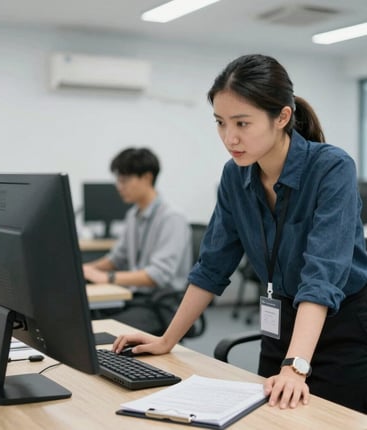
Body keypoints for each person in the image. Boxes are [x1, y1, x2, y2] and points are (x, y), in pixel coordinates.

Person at [112, 54, 367, 414]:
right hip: (280, 327)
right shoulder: (236, 176)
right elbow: (212, 267)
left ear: (282, 117)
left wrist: (296, 367)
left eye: (242, 123)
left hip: (340, 332)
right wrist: (167, 339)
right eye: (220, 123)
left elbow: (321, 277)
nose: (230, 137)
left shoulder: (331, 168)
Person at [83, 147, 192, 298]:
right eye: (118, 180)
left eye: (124, 180)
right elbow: (116, 259)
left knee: (97, 318)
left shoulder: (172, 217)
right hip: (137, 295)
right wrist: (85, 269)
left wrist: (109, 277)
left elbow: (158, 274)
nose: (119, 187)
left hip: (163, 303)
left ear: (147, 178)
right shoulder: (133, 215)